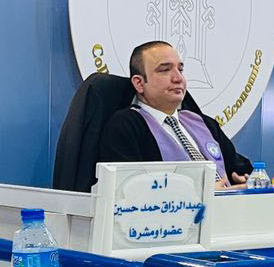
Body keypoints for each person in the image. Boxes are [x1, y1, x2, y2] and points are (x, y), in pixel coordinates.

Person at [96, 41, 252, 185]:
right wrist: (203, 195)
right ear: (139, 83)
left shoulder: (204, 123)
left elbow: (238, 169)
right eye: (165, 70)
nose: (178, 78)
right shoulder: (126, 126)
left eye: (180, 69)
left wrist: (246, 179)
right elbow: (129, 189)